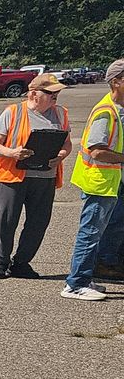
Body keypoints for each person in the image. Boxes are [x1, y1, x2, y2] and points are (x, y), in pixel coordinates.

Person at [0, 72, 70, 279]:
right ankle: (0, 263)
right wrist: (13, 153)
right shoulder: (12, 112)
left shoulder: (60, 114)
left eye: (57, 92)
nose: (55, 96)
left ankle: (22, 263)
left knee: (38, 222)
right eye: (51, 92)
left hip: (45, 176)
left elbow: (67, 144)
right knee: (5, 221)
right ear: (34, 94)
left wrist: (61, 155)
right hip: (11, 176)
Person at [64, 57, 124, 301]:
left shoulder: (118, 109)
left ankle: (86, 278)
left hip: (111, 182)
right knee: (89, 234)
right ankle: (75, 284)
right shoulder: (105, 111)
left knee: (101, 232)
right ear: (117, 82)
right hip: (99, 182)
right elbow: (96, 150)